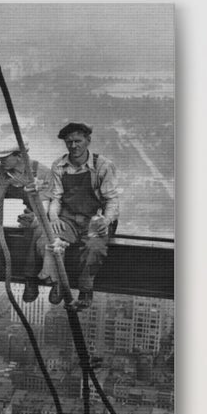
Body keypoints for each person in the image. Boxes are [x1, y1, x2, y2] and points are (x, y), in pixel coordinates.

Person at [41, 121, 120, 308]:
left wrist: (106, 221)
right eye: (69, 142)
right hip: (69, 218)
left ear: (88, 141)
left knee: (94, 248)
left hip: (95, 219)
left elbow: (111, 199)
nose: (73, 146)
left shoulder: (103, 166)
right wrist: (54, 218)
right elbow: (56, 197)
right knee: (53, 241)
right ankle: (57, 282)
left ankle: (86, 289)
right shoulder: (59, 165)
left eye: (78, 141)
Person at [0, 139, 54, 303]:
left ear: (19, 155)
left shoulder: (41, 172)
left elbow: (44, 206)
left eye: (4, 157)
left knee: (37, 230)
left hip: (31, 216)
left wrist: (34, 218)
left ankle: (30, 278)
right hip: (6, 215)